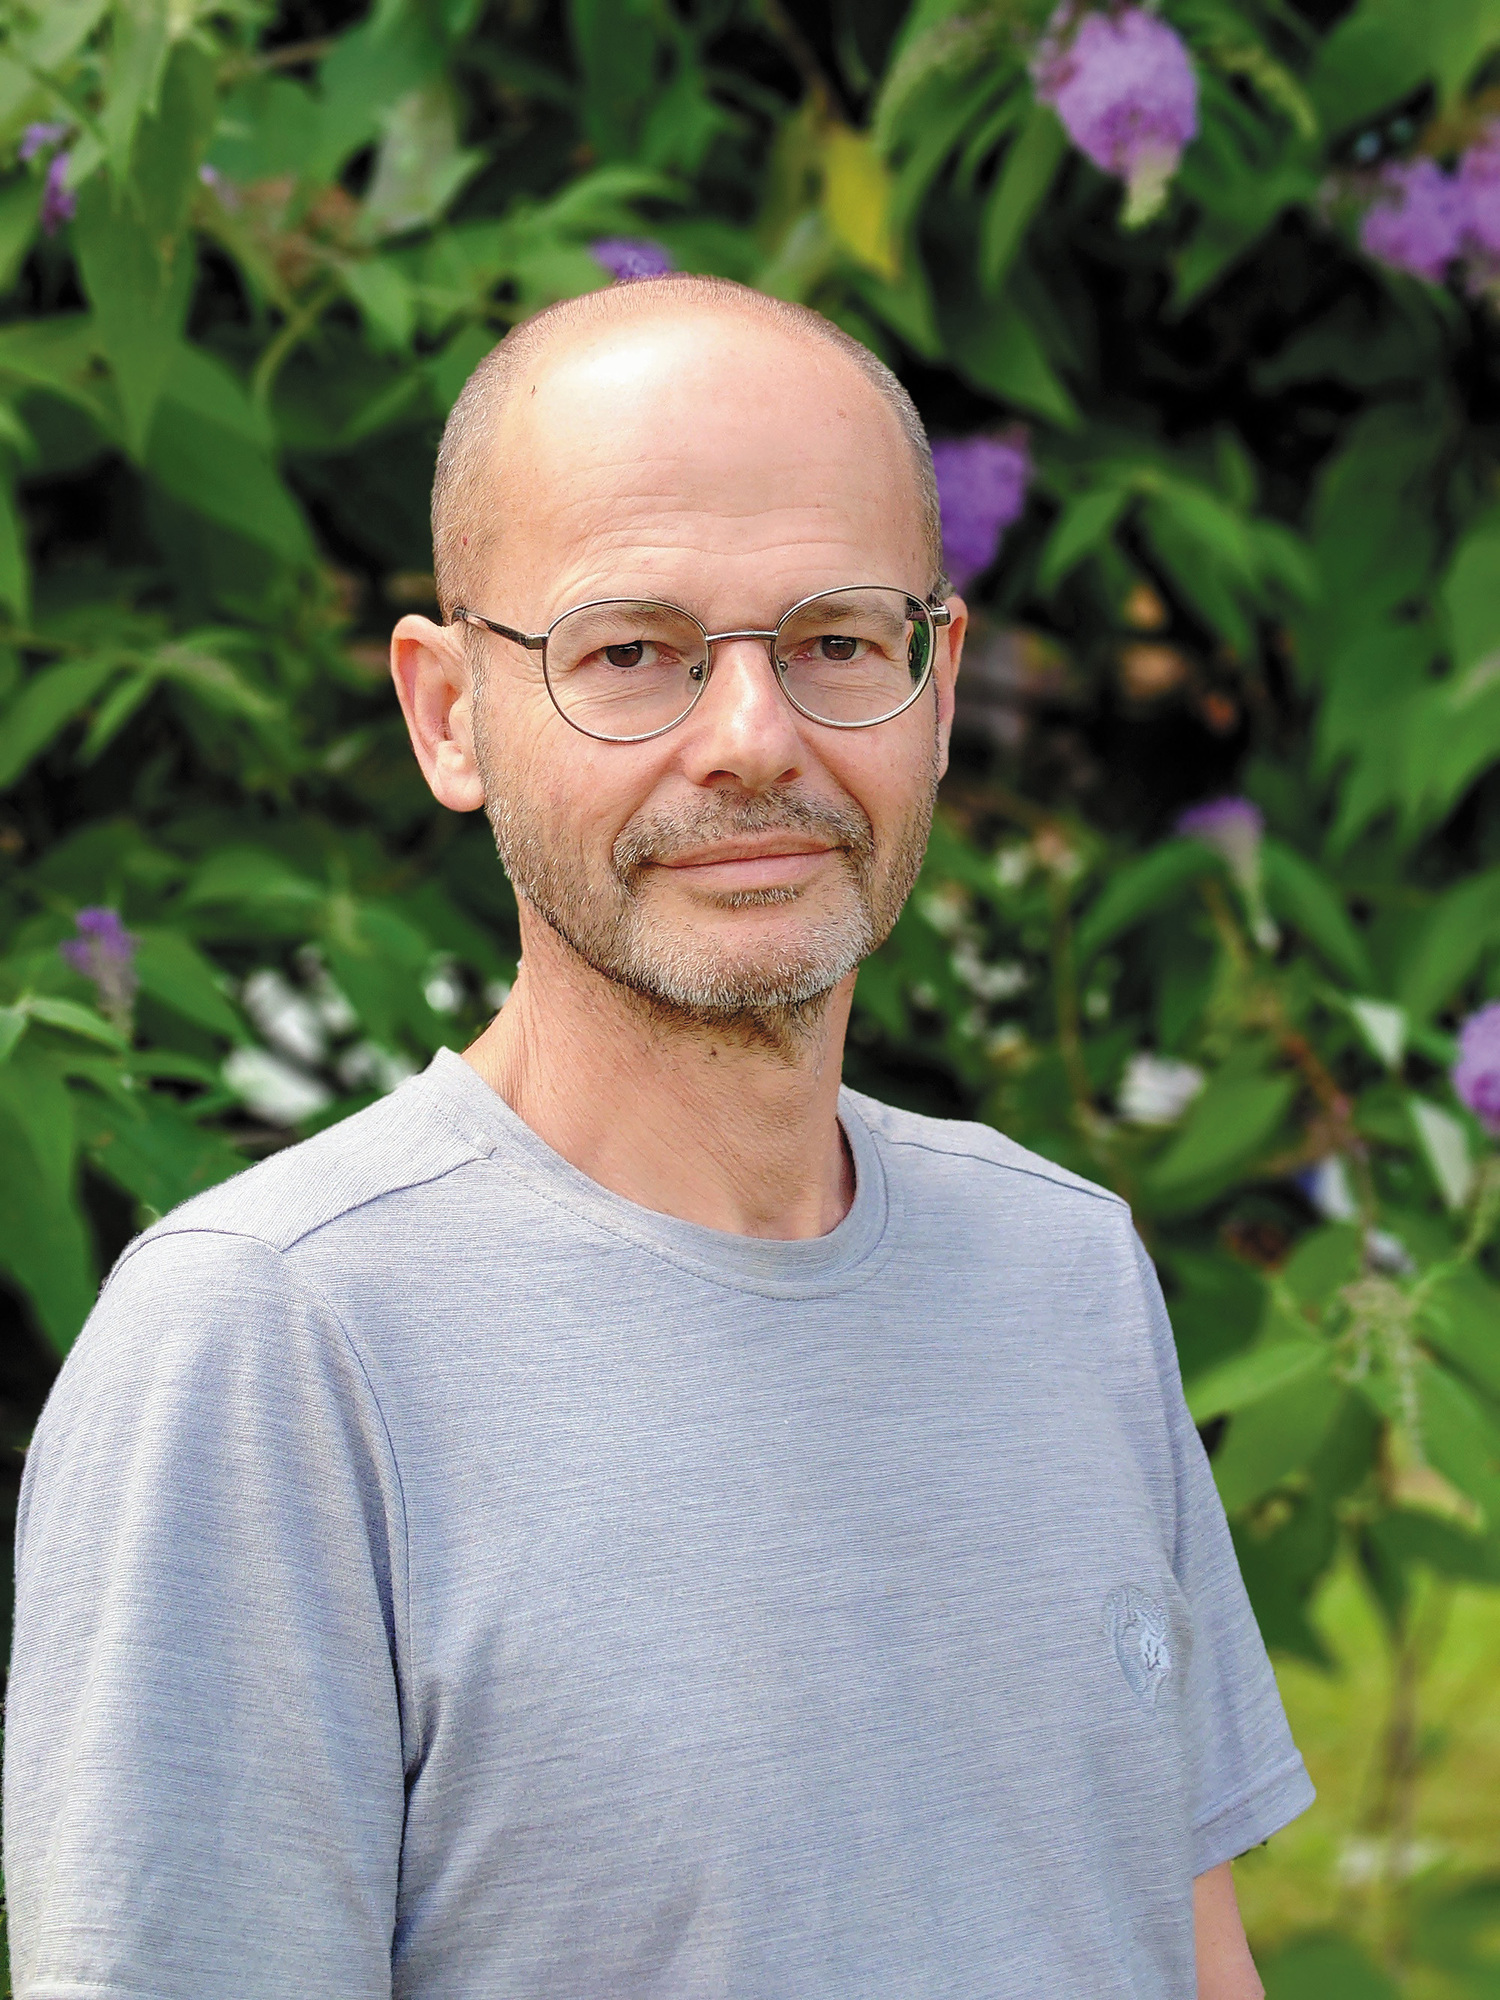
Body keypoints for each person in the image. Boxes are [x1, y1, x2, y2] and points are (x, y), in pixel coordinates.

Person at [5, 276, 1311, 2000]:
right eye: (631, 651)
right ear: (449, 714)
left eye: (836, 640)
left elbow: (1191, 1954)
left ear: (937, 686)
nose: (754, 740)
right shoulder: (271, 1346)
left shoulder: (1064, 1266)